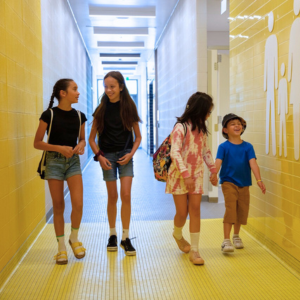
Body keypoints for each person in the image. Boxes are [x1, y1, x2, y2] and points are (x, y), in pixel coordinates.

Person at [34, 79, 87, 265]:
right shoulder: (48, 114)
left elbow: (82, 139)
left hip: (73, 162)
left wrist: (80, 145)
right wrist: (59, 148)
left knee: (78, 204)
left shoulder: (80, 116)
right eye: (75, 89)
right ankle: (61, 248)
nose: (78, 92)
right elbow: (37, 142)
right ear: (63, 93)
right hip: (54, 162)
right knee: (58, 206)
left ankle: (74, 237)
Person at [89, 71, 142, 256]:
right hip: (107, 156)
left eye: (112, 86)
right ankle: (112, 234)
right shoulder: (101, 109)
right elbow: (91, 140)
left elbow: (138, 137)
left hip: (125, 155)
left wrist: (131, 154)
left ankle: (125, 238)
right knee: (112, 197)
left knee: (126, 195)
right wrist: (99, 157)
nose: (108, 90)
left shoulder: (129, 107)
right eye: (106, 86)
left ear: (121, 87)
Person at [166, 92, 218, 265]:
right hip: (179, 176)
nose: (209, 115)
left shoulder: (202, 128)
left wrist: (213, 170)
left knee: (195, 209)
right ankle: (178, 235)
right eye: (208, 112)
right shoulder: (181, 127)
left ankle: (195, 250)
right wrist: (185, 175)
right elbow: (175, 153)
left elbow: (205, 151)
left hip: (196, 175)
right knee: (182, 212)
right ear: (199, 110)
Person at [215, 113, 266, 253]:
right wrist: (214, 174)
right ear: (225, 130)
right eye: (232, 124)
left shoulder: (248, 147)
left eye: (239, 124)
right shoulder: (223, 147)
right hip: (228, 182)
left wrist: (259, 180)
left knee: (241, 210)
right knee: (231, 209)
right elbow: (218, 163)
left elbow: (253, 164)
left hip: (244, 183)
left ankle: (236, 236)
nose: (237, 126)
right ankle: (226, 240)